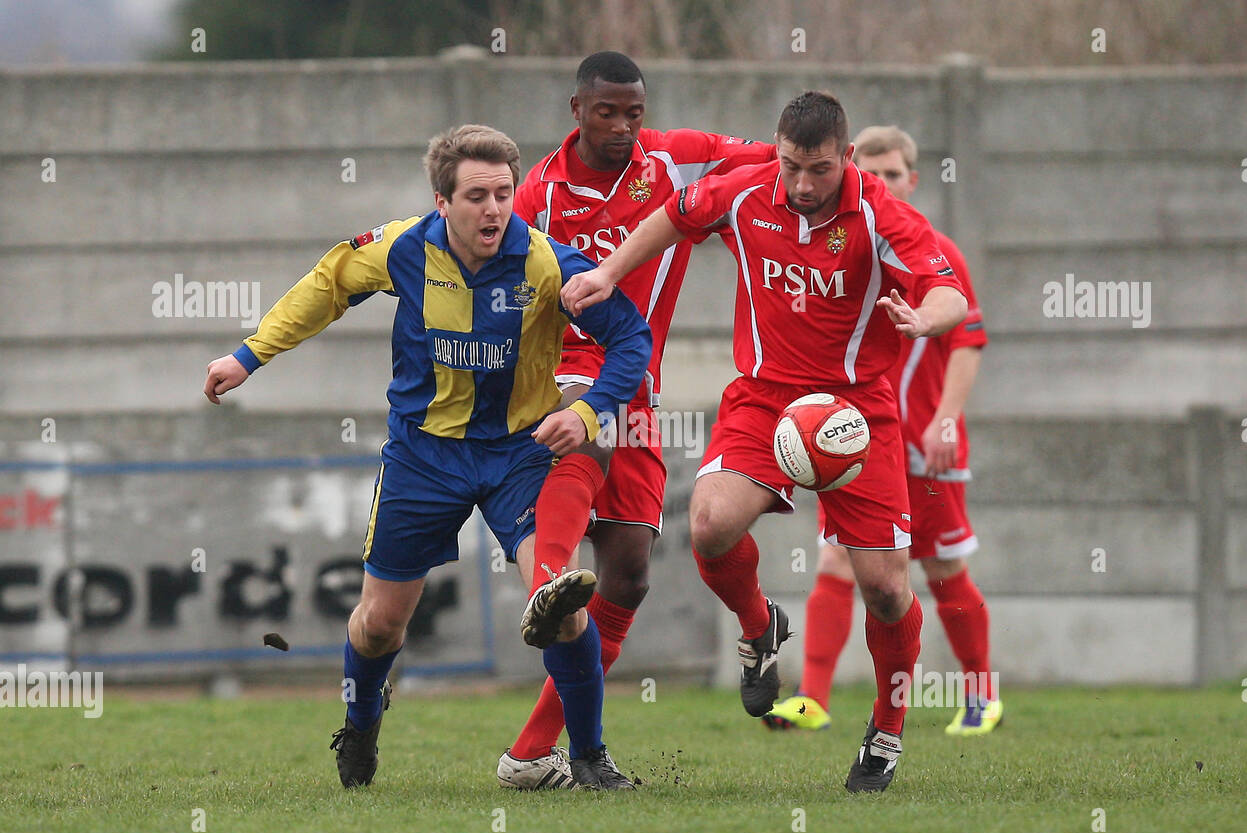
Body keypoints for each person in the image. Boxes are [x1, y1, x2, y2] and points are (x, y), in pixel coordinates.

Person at [202, 124, 652, 791]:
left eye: (503, 193)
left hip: (517, 455)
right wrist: (248, 355)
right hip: (422, 455)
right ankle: (360, 724)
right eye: (476, 196)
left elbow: (632, 340)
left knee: (563, 603)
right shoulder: (403, 248)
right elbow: (328, 285)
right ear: (442, 201)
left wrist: (584, 413)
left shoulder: (548, 263)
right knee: (382, 623)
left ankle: (588, 755)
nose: (494, 209)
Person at [563, 92, 968, 793]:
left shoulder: (880, 212)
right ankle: (759, 630)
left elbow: (950, 291)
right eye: (790, 166)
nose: (802, 184)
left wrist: (924, 319)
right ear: (775, 152)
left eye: (817, 169)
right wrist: (606, 273)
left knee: (884, 590)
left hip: (856, 414)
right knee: (710, 525)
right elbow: (673, 215)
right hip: (764, 398)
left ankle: (887, 731)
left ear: (845, 159)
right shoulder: (747, 189)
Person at [497, 51, 776, 790]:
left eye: (633, 114)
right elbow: (501, 277)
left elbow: (776, 160)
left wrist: (846, 160)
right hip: (564, 370)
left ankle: (544, 751)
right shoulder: (538, 193)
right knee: (579, 425)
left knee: (628, 573)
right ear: (576, 110)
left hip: (637, 385)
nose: (622, 128)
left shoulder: (676, 162)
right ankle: (548, 583)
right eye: (605, 113)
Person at [765, 125, 1000, 737]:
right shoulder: (836, 248)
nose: (880, 185)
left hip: (925, 441)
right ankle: (813, 697)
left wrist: (947, 418)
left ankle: (980, 695)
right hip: (852, 440)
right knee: (836, 560)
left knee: (941, 568)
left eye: (892, 175)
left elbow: (968, 342)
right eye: (870, 174)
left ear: (911, 181)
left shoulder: (936, 254)